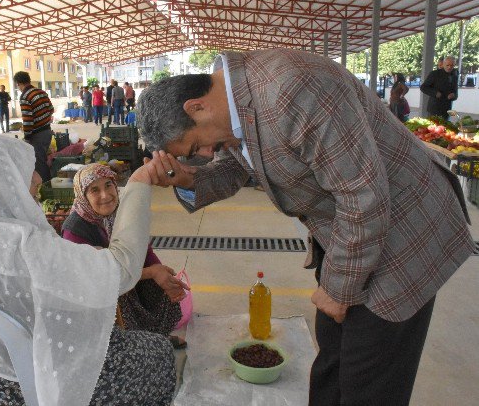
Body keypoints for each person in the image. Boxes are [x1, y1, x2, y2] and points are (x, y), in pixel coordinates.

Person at [136, 49, 475, 406]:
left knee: (368, 379)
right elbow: (238, 167)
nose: (205, 154)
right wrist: (187, 180)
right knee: (332, 360)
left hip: (402, 234)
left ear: (196, 107)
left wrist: (339, 288)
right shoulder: (234, 104)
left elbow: (364, 197)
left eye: (196, 146)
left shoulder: (293, 90)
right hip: (349, 232)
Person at [0, 135, 176, 406]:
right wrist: (139, 182)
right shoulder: (24, 248)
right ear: (1, 184)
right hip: (31, 383)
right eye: (26, 176)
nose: (38, 179)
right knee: (159, 353)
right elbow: (122, 269)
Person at [62, 164, 188, 345]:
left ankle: (157, 337)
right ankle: (135, 344)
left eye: (108, 185)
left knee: (161, 280)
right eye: (94, 190)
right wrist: (152, 272)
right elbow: (100, 278)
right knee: (124, 297)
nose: (105, 195)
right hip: (97, 294)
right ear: (83, 196)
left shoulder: (120, 210)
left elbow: (142, 248)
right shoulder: (75, 230)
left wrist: (162, 275)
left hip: (123, 277)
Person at [14, 71, 54, 182]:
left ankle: (45, 187)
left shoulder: (25, 96)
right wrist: (43, 118)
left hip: (37, 135)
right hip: (47, 131)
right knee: (43, 159)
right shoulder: (41, 92)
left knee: (39, 163)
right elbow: (51, 109)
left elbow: (27, 120)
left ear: (19, 83)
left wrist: (27, 137)